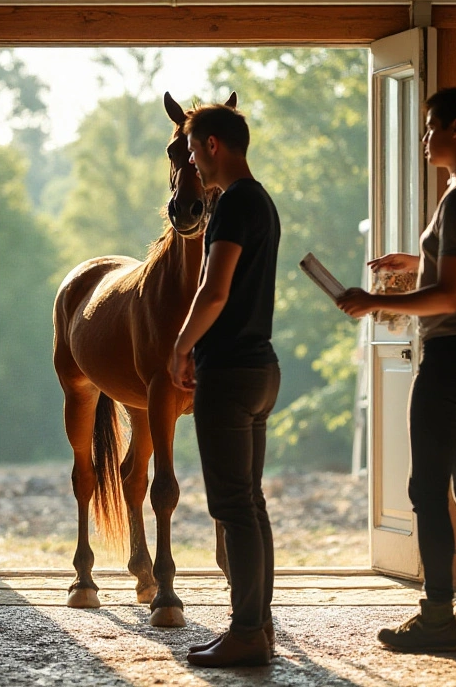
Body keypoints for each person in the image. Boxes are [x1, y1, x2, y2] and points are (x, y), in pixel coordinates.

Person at [337, 87, 456, 653]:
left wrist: (375, 302)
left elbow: (447, 298)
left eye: (431, 125)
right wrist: (419, 262)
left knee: (426, 488)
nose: (425, 137)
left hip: (452, 358)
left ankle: (437, 616)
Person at [168, 102, 281, 668]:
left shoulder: (234, 203)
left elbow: (214, 290)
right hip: (262, 367)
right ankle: (258, 627)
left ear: (213, 145)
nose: (192, 161)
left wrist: (182, 345)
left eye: (192, 150)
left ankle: (244, 633)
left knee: (233, 508)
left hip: (231, 372)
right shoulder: (262, 201)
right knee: (250, 504)